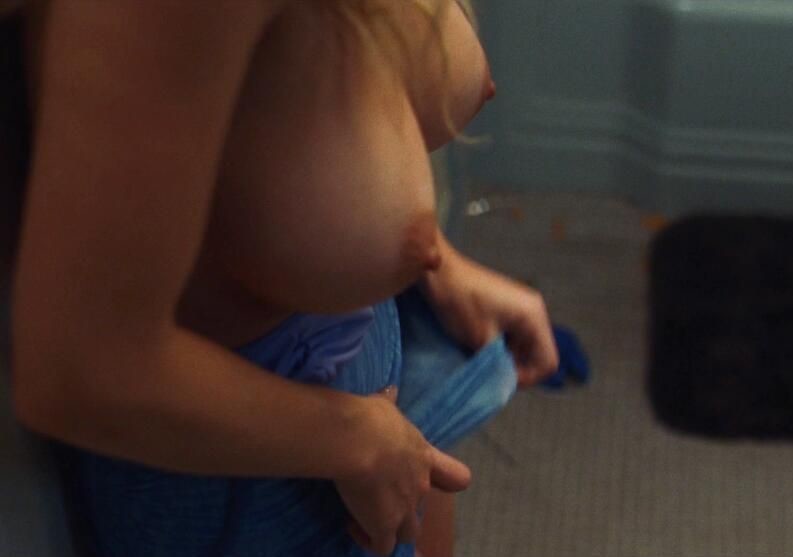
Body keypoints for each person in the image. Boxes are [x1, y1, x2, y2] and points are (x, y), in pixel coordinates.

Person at [5, 1, 559, 556]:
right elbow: (79, 372)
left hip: (360, 398)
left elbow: (285, 126)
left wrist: (433, 259)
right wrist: (353, 439)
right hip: (237, 464)